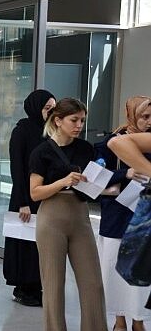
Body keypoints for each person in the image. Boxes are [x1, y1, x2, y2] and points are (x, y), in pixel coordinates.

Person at [29, 98, 107, 331]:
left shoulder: (86, 149)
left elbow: (95, 183)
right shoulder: (41, 152)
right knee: (53, 286)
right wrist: (63, 181)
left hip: (80, 214)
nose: (79, 125)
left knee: (93, 283)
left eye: (82, 120)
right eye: (74, 120)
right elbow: (34, 193)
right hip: (52, 217)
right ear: (58, 120)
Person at [95, 96, 151, 331]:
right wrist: (124, 174)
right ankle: (119, 320)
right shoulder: (112, 142)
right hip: (116, 218)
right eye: (144, 116)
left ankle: (138, 320)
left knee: (139, 275)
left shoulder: (147, 143)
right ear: (131, 115)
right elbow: (94, 179)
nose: (148, 122)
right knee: (113, 271)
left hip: (142, 220)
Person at [4, 89, 56, 306]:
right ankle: (24, 287)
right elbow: (17, 168)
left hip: (45, 195)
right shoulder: (22, 131)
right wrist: (22, 201)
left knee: (40, 244)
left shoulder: (51, 132)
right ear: (36, 108)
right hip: (24, 196)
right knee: (25, 243)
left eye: (54, 108)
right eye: (47, 108)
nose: (51, 112)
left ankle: (37, 286)